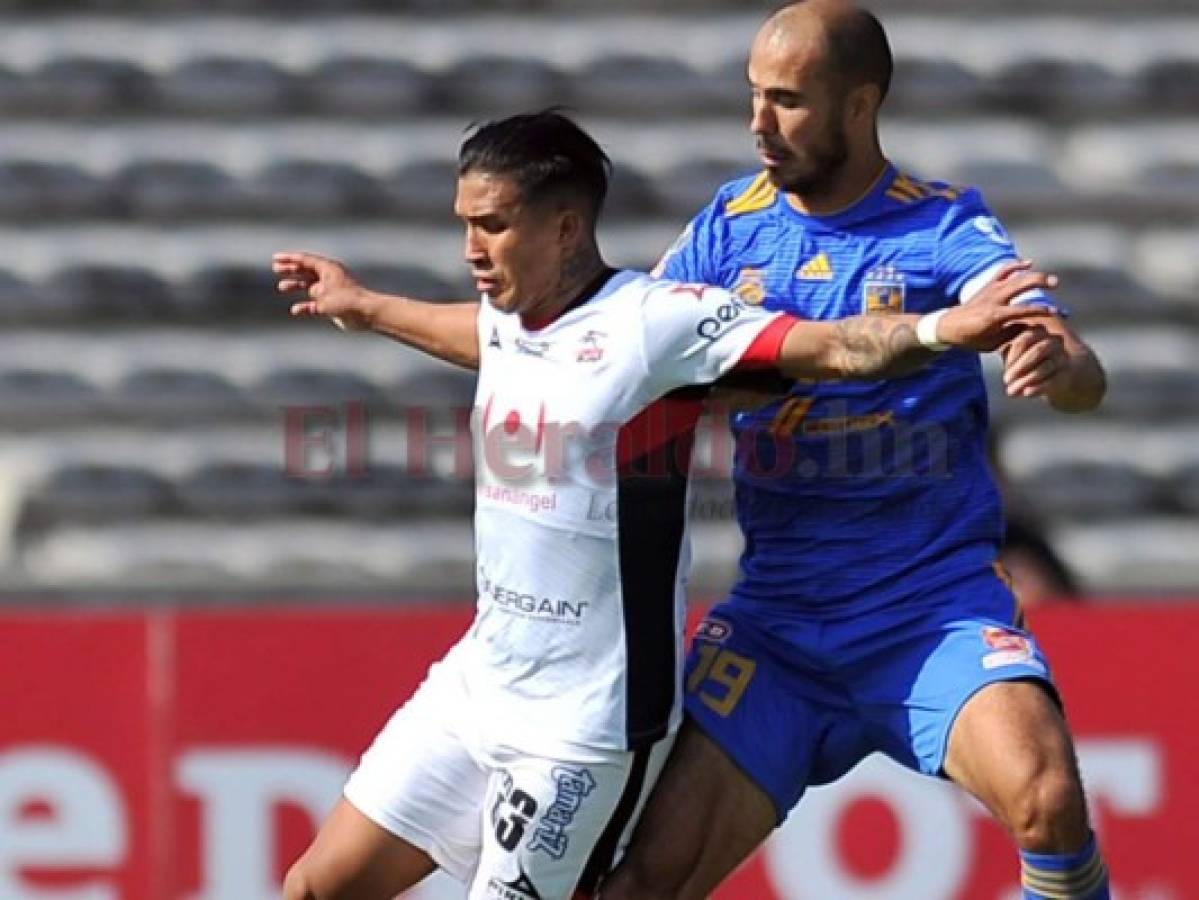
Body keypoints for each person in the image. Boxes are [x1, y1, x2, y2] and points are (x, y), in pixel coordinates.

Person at [271, 110, 1054, 900]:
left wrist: (943, 328)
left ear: (566, 227)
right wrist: (363, 305)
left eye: (493, 225)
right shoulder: (512, 318)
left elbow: (829, 347)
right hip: (478, 684)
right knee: (313, 887)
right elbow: (476, 335)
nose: (472, 248)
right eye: (465, 224)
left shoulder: (656, 325)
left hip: (579, 727)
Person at [600, 3, 1110, 900]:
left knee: (1048, 798)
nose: (758, 124)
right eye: (753, 97)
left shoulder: (945, 225)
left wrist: (1056, 360)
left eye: (787, 101)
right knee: (645, 880)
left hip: (928, 611)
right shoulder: (727, 226)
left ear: (860, 104)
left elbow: (1076, 371)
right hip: (778, 627)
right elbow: (632, 352)